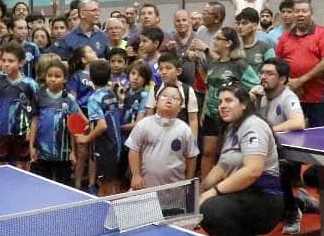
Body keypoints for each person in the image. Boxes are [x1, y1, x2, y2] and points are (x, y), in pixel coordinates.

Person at [199, 83, 285, 236]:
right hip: (243, 194)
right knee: (201, 203)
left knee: (210, 209)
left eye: (229, 101)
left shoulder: (253, 126)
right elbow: (221, 166)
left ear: (244, 104)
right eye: (220, 102)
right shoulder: (232, 128)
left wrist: (213, 191)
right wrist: (201, 189)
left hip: (265, 199)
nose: (222, 106)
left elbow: (252, 171)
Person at [252, 58, 308, 234]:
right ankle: (301, 201)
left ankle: (293, 213)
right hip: (267, 151)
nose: (263, 77)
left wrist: (268, 130)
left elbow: (298, 122)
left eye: (270, 74)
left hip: (288, 155)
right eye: (262, 73)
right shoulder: (259, 94)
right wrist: (247, 98)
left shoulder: (288, 97)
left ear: (282, 79)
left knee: (276, 172)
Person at [200, 27, 261, 179]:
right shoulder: (213, 64)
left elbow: (257, 84)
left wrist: (248, 98)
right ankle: (203, 186)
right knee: (208, 152)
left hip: (230, 116)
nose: (214, 42)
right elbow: (209, 88)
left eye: (217, 39)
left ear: (228, 43)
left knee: (225, 154)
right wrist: (203, 111)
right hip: (210, 113)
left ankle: (224, 184)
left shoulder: (239, 64)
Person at [127, 84, 198, 191]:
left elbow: (191, 157)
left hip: (175, 189)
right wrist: (136, 175)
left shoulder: (185, 130)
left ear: (180, 107)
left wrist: (188, 181)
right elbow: (134, 149)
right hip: (145, 187)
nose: (169, 99)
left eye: (175, 98)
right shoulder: (143, 124)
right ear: (156, 101)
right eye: (164, 96)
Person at [276, 0, 324, 122]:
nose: (300, 14)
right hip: (291, 96)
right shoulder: (285, 37)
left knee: (318, 137)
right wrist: (290, 83)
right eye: (297, 11)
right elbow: (278, 64)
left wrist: (300, 81)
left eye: (304, 11)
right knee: (292, 136)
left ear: (311, 14)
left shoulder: (323, 33)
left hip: (317, 99)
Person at [0, 41, 37, 168]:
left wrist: (33, 133)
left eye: (11, 61)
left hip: (23, 134)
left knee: (23, 169)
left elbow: (36, 113)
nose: (6, 64)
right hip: (1, 133)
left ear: (21, 63)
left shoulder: (30, 85)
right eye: (3, 60)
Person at [31, 59, 82, 183]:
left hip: (63, 153)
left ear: (65, 79)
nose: (53, 79)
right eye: (50, 76)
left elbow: (73, 128)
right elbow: (35, 122)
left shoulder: (69, 99)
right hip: (42, 152)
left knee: (62, 184)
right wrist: (32, 146)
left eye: (57, 76)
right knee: (42, 184)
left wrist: (73, 152)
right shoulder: (39, 95)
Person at [79, 60, 123, 195]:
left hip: (105, 147)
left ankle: (114, 214)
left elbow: (102, 126)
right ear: (109, 77)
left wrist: (86, 138)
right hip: (116, 145)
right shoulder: (111, 94)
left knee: (106, 184)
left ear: (90, 78)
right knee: (110, 182)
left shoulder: (94, 99)